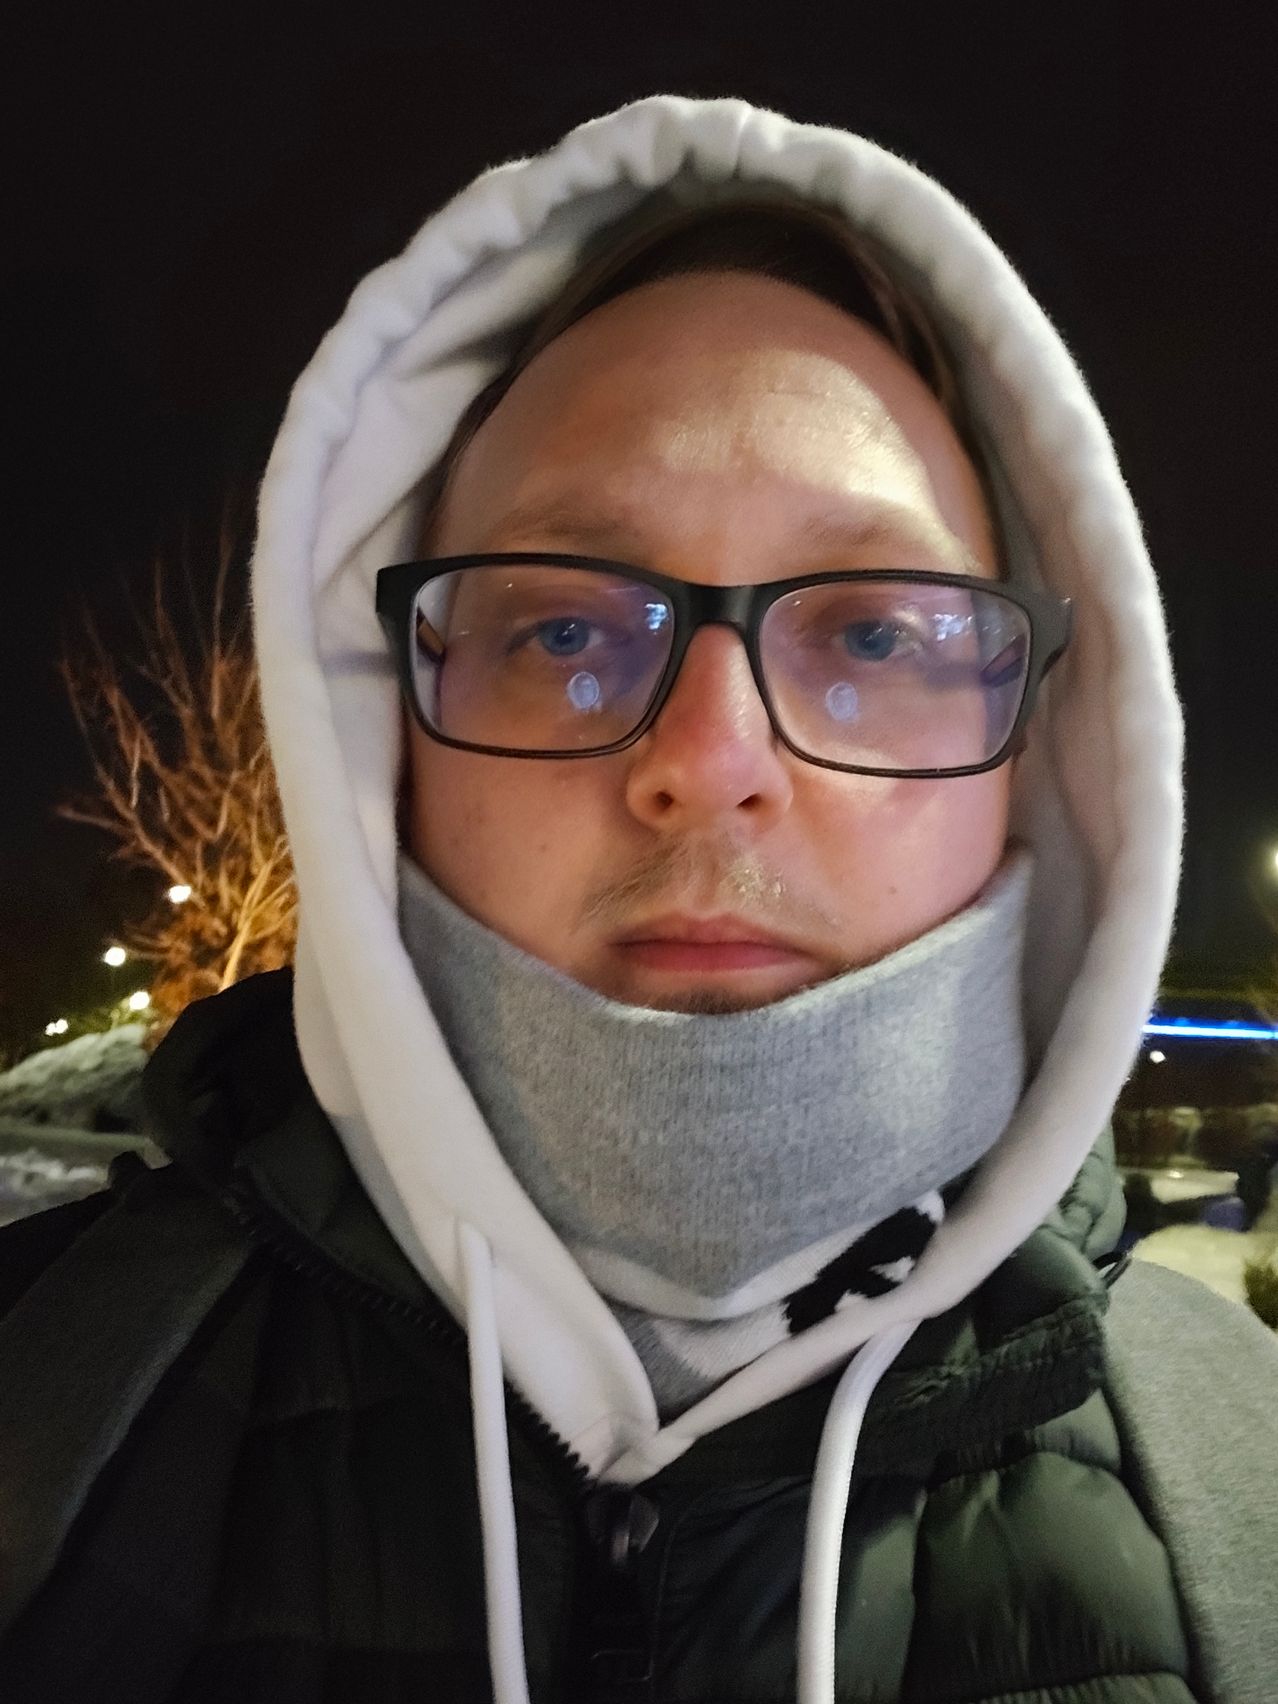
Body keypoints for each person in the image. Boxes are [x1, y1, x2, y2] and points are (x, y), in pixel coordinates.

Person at [1, 93, 1276, 1704]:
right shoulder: (37, 1410)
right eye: (559, 630)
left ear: (1042, 752)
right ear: (378, 737)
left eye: (874, 634)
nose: (710, 759)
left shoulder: (1249, 1499)